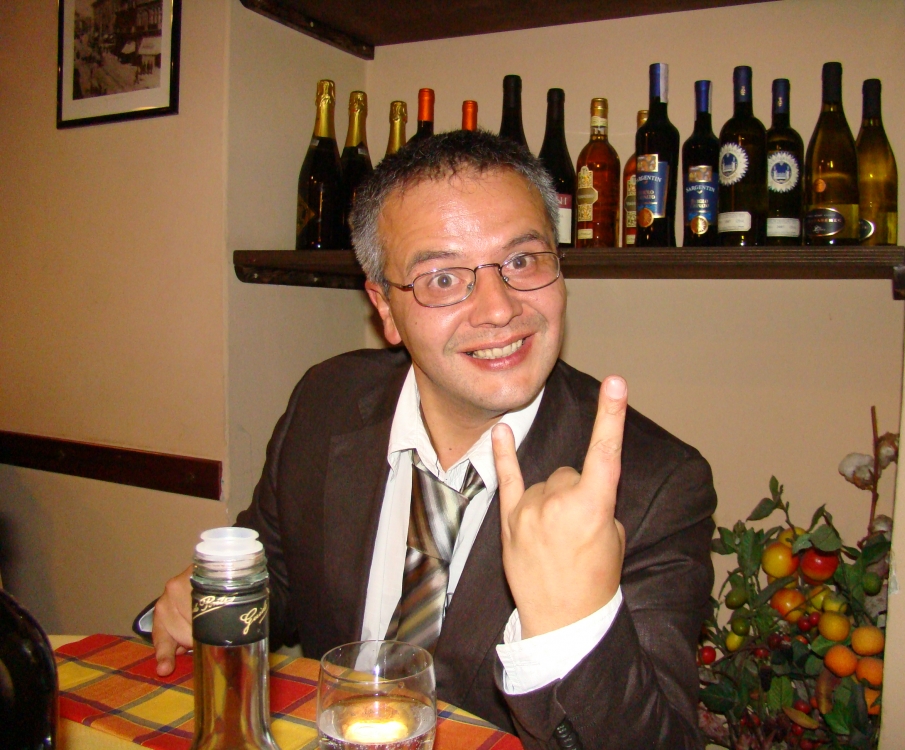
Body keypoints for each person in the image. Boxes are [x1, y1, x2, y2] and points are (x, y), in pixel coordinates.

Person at [152, 130, 716, 748]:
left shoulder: (653, 484)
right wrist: (215, 601)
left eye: (522, 261)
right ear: (384, 308)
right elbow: (281, 579)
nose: (498, 309)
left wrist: (571, 630)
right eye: (442, 278)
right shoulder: (325, 403)